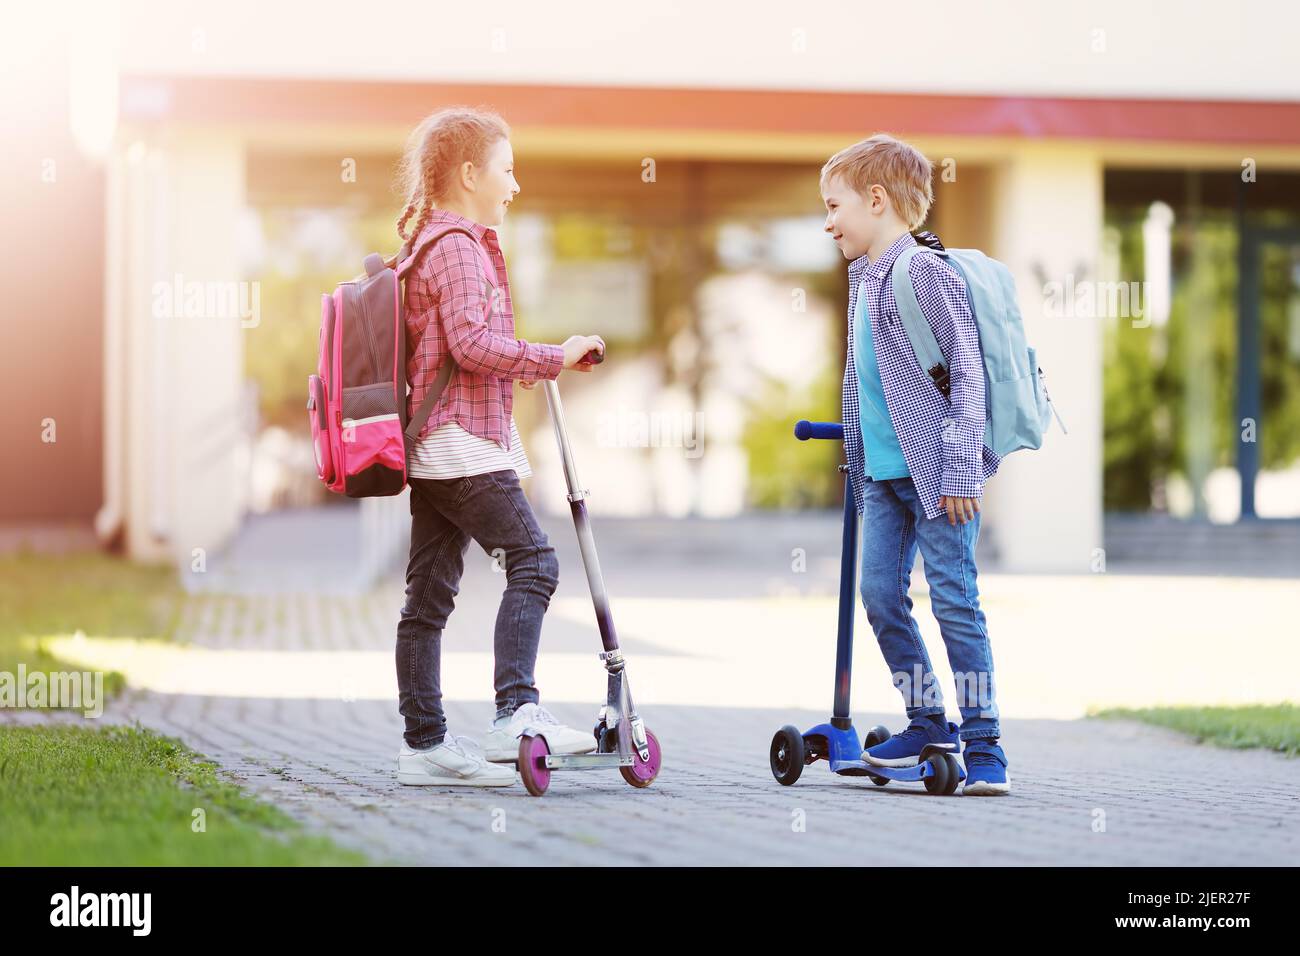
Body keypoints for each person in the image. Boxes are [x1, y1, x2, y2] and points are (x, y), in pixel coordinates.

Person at [393, 106, 604, 787]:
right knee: (536, 564)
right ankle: (517, 713)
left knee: (427, 600)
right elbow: (472, 346)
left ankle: (423, 750)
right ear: (469, 173)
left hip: (441, 446)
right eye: (507, 171)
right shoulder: (454, 245)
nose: (514, 186)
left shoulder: (440, 240)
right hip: (460, 445)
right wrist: (556, 356)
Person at [820, 133, 1010, 795]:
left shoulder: (922, 272)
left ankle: (985, 745)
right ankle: (928, 718)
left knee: (956, 604)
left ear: (876, 200)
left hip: (938, 481)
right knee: (879, 597)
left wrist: (960, 469)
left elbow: (966, 376)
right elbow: (863, 384)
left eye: (834, 204)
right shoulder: (863, 279)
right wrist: (855, 461)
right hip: (882, 477)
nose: (827, 220)